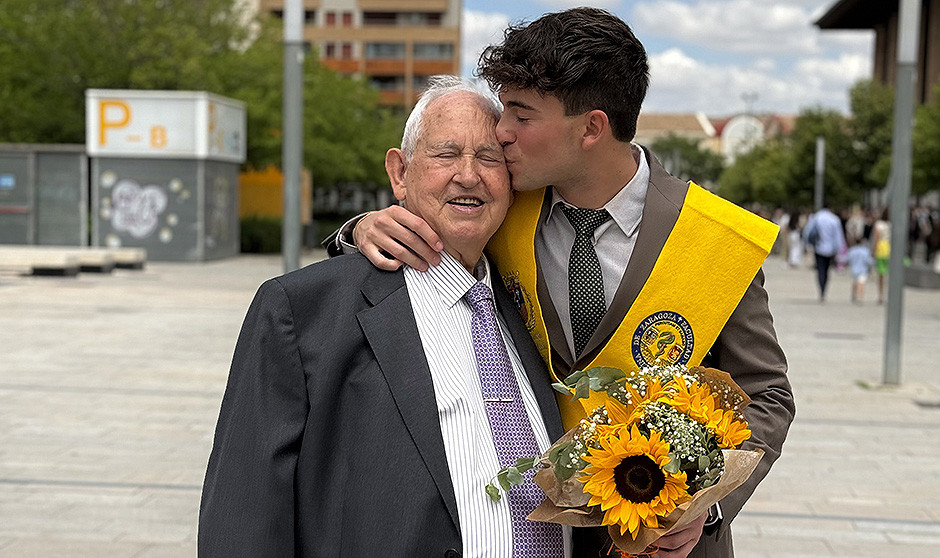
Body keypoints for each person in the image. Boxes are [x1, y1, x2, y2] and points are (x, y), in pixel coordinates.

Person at [326, 8, 794, 558]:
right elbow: (425, 211)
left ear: (592, 127)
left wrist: (704, 505)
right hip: (535, 531)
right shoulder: (503, 210)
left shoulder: (716, 239)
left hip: (663, 543)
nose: (500, 133)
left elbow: (766, 394)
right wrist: (356, 229)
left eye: (521, 116)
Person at [199, 78, 567, 557]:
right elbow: (243, 512)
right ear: (400, 173)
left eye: (489, 157)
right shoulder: (301, 310)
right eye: (445, 154)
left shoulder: (535, 305)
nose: (469, 175)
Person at [803, 204, 846, 302]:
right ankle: (824, 289)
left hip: (818, 247)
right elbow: (838, 236)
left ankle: (821, 288)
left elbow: (808, 232)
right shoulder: (834, 219)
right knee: (827, 270)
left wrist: (806, 245)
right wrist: (839, 250)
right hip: (830, 249)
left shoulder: (816, 217)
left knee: (820, 269)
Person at [846, 238, 874, 303]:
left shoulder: (852, 250)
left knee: (855, 283)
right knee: (861, 283)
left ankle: (854, 295)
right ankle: (860, 296)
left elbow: (847, 259)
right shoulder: (865, 251)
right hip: (863, 270)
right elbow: (868, 261)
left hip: (854, 269)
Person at [872, 209, 891, 304]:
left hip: (881, 248)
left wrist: (873, 250)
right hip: (889, 247)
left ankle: (881, 295)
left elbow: (876, 238)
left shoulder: (878, 224)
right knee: (889, 273)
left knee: (880, 274)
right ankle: (889, 294)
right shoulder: (891, 225)